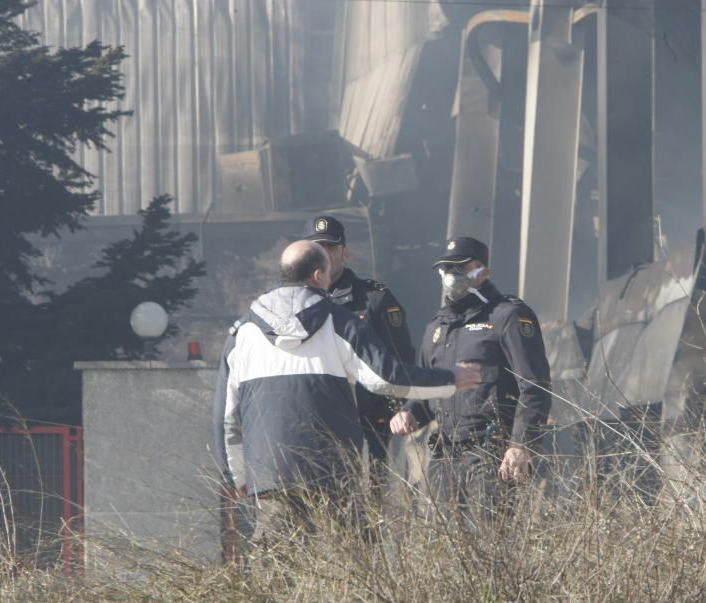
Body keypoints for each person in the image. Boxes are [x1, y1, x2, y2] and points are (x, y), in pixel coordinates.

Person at [212, 240, 480, 544]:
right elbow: (386, 378)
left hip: (270, 473)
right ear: (318, 276)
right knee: (343, 569)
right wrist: (449, 379)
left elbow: (227, 418)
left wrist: (236, 477)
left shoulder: (242, 333)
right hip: (332, 472)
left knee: (277, 573)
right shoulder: (339, 322)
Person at [390, 237, 552, 524]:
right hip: (445, 456)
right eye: (446, 268)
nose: (452, 276)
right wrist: (410, 411)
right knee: (444, 546)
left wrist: (520, 445)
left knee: (490, 544)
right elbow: (428, 391)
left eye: (460, 268)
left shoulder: (508, 316)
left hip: (491, 453)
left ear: (483, 272)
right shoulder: (437, 328)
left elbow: (535, 387)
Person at [304, 215, 414, 464]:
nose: (324, 254)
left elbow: (400, 359)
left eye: (331, 247)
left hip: (366, 423)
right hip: (310, 422)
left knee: (368, 498)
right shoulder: (290, 304)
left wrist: (397, 410)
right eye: (317, 248)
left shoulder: (374, 299)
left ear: (345, 252)